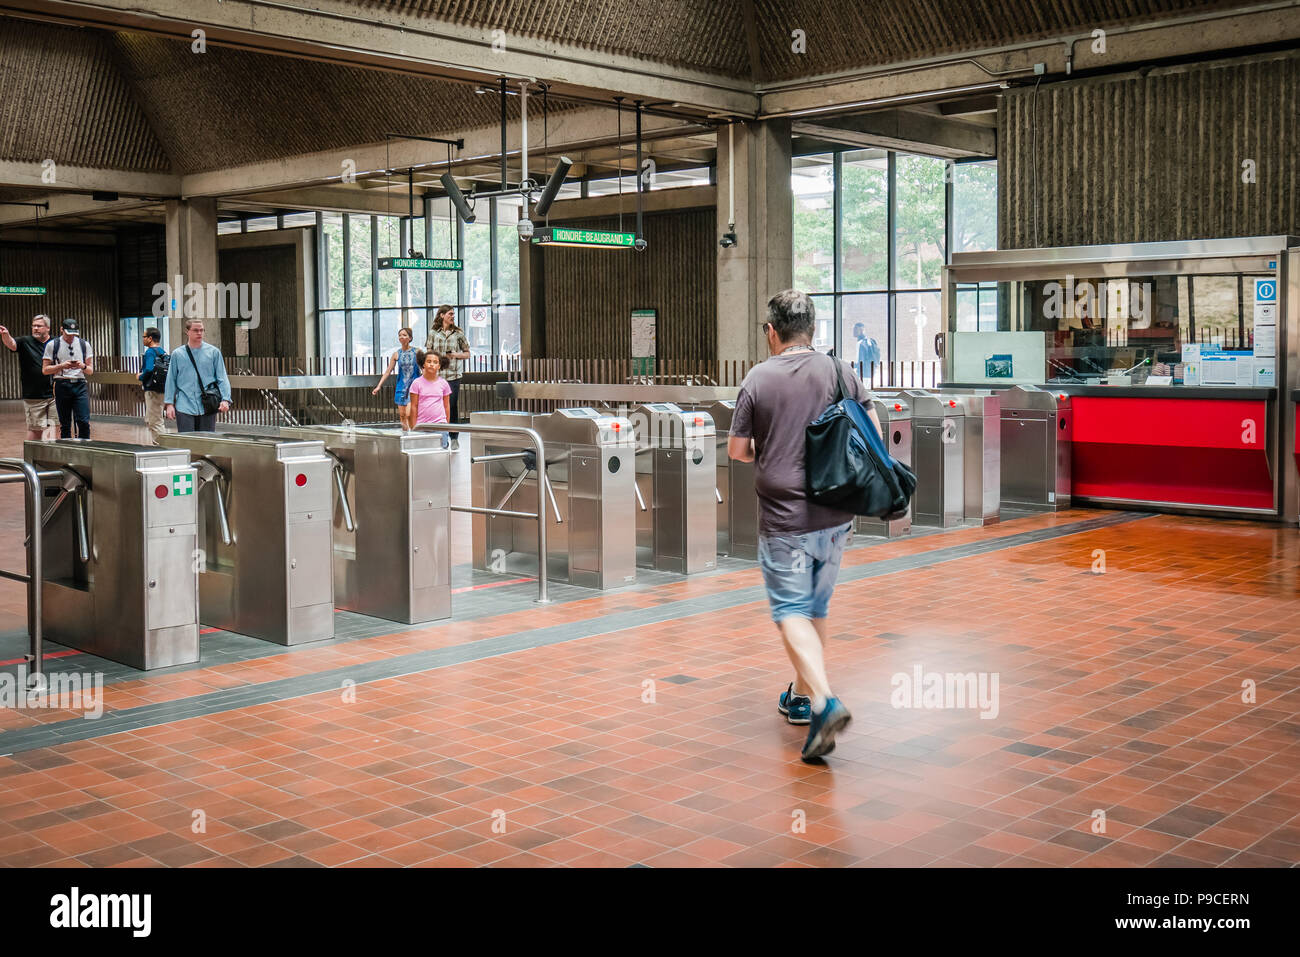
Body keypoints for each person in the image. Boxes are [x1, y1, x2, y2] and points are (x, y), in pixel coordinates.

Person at [728, 290, 882, 763]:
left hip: (784, 517)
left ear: (772, 332)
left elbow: (738, 451)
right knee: (816, 604)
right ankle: (801, 698)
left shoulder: (757, 378)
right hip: (835, 514)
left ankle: (823, 700)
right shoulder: (840, 371)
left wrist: (770, 453)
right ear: (812, 331)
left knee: (791, 608)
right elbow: (872, 430)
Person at [164, 318, 231, 432]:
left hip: (207, 405)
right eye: (195, 330)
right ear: (187, 332)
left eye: (202, 330)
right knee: (187, 442)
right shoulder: (177, 354)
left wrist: (225, 399)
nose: (199, 333)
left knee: (206, 443)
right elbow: (171, 380)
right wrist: (169, 404)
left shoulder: (214, 352)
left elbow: (222, 378)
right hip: (184, 405)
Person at [0, 314, 56, 440]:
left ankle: (50, 457)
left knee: (54, 427)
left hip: (55, 394)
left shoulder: (55, 342)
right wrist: (6, 335)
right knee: (35, 429)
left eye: (39, 326)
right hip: (34, 395)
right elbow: (12, 344)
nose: (35, 328)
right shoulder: (25, 341)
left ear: (47, 328)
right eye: (34, 326)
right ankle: (31, 458)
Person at [425, 305, 470, 449]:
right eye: (450, 314)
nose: (452, 316)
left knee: (451, 406)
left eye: (453, 314)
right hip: (437, 376)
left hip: (453, 376)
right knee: (437, 407)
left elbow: (467, 353)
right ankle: (440, 437)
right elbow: (429, 352)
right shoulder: (433, 333)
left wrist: (455, 355)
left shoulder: (458, 334)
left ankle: (454, 437)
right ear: (442, 315)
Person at [41, 318, 94, 439]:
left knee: (83, 421)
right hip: (62, 383)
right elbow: (45, 370)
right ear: (61, 330)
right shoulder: (52, 345)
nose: (71, 337)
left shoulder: (84, 345)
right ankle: (67, 450)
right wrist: (62, 366)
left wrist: (82, 366)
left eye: (74, 334)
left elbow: (90, 371)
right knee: (65, 424)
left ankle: (84, 448)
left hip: (80, 384)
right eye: (68, 333)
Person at [372, 327, 419, 431]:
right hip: (401, 387)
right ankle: (405, 435)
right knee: (402, 415)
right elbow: (388, 371)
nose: (402, 337)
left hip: (414, 388)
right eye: (400, 335)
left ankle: (414, 434)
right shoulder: (396, 354)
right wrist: (379, 386)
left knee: (409, 414)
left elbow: (424, 368)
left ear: (410, 338)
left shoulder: (417, 352)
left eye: (405, 335)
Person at [407, 351, 452, 446]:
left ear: (439, 366)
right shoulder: (416, 383)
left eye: (435, 362)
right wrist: (414, 427)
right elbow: (414, 406)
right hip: (422, 425)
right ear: (423, 364)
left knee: (440, 453)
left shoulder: (444, 384)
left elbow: (446, 406)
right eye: (429, 361)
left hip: (440, 425)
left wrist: (446, 425)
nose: (432, 364)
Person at [138, 327, 168, 444]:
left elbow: (149, 369)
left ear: (150, 338)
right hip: (161, 389)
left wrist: (140, 376)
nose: (143, 339)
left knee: (155, 422)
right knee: (153, 419)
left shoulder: (150, 352)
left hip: (152, 390)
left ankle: (162, 447)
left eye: (144, 337)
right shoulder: (162, 351)